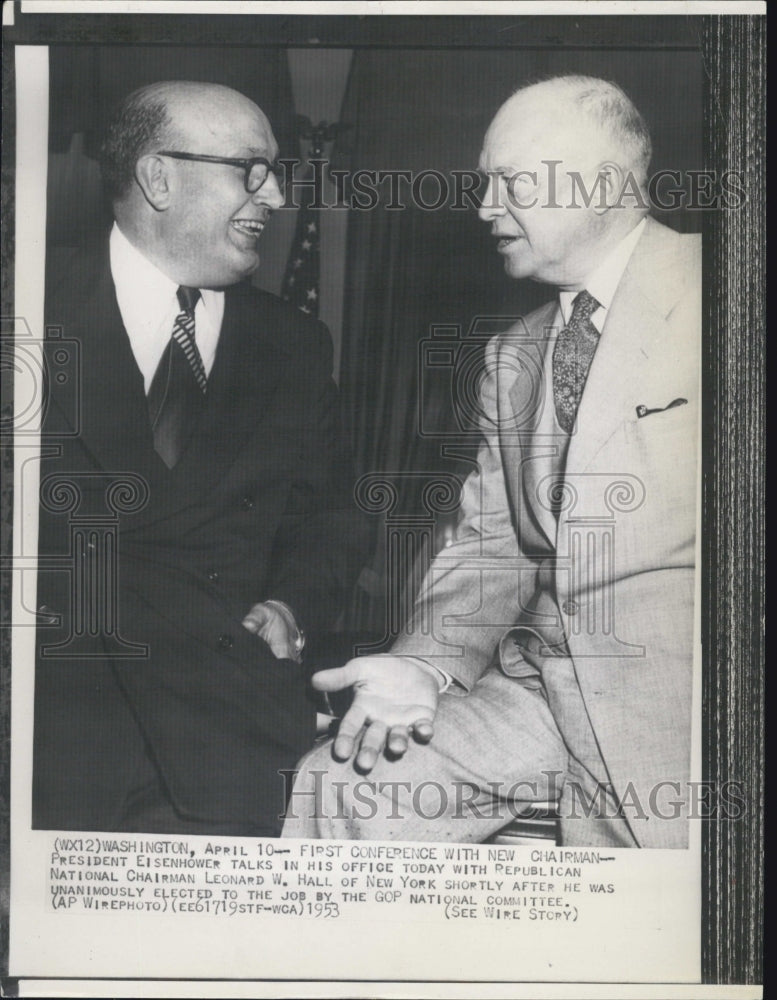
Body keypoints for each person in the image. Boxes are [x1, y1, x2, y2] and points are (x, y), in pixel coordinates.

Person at [282, 76, 700, 848]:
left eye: (509, 182)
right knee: (338, 785)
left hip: (682, 696)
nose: (483, 209)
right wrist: (423, 665)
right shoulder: (512, 356)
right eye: (484, 184)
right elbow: (490, 547)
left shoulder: (727, 293)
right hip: (536, 687)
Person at [33, 81, 366, 837]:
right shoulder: (27, 302)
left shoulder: (294, 344)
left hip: (228, 745)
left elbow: (333, 519)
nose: (275, 196)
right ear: (158, 176)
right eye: (251, 169)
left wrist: (291, 608)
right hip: (52, 743)